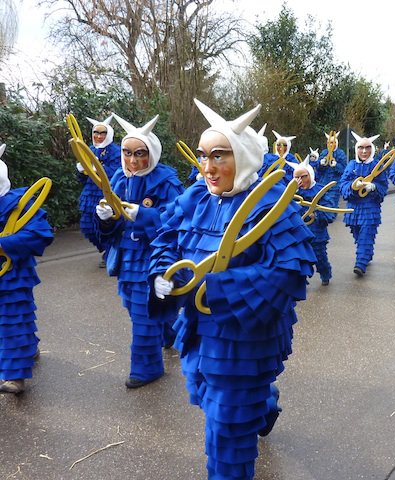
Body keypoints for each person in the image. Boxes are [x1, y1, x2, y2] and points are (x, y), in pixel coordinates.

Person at [148, 100, 315, 480]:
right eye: (204, 156)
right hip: (198, 332)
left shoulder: (274, 206)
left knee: (225, 425)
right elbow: (165, 241)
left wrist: (216, 288)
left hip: (246, 334)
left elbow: (289, 272)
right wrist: (162, 276)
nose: (208, 167)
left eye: (219, 156)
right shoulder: (193, 199)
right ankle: (264, 405)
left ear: (241, 157)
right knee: (212, 397)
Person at [94, 114, 184, 388]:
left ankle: (147, 368)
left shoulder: (167, 182)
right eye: (127, 153)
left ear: (152, 153)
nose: (132, 160)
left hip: (155, 255)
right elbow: (109, 231)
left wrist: (142, 214)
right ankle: (170, 332)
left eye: (140, 154)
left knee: (144, 314)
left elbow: (176, 221)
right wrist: (107, 217)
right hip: (128, 258)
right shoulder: (119, 178)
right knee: (139, 308)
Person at [0, 145, 54, 394]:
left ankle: (15, 376)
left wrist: (3, 244)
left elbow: (40, 234)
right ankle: (28, 350)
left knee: (14, 321)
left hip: (13, 276)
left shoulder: (18, 204)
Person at [338, 132, 389, 277]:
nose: (364, 151)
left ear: (372, 149)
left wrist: (373, 187)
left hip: (370, 208)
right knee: (358, 236)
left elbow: (383, 186)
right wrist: (353, 187)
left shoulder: (376, 166)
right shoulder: (351, 165)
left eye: (367, 147)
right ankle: (367, 253)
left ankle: (360, 264)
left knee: (366, 235)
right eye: (361, 147)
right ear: (356, 149)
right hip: (353, 208)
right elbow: (343, 184)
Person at [78, 115, 121, 267]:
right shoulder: (88, 150)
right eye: (96, 132)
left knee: (106, 223)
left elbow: (117, 172)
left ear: (108, 134)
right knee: (88, 226)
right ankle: (106, 249)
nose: (98, 136)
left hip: (105, 194)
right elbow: (82, 178)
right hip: (89, 194)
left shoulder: (116, 151)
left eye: (102, 133)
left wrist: (98, 169)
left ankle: (110, 252)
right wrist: (81, 170)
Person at [289, 156, 337, 285]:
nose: (300, 180)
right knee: (299, 258)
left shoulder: (320, 190)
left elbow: (329, 210)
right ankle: (301, 281)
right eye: (296, 177)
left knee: (319, 257)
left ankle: (325, 273)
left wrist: (316, 215)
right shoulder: (291, 192)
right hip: (298, 232)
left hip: (317, 232)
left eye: (304, 176)